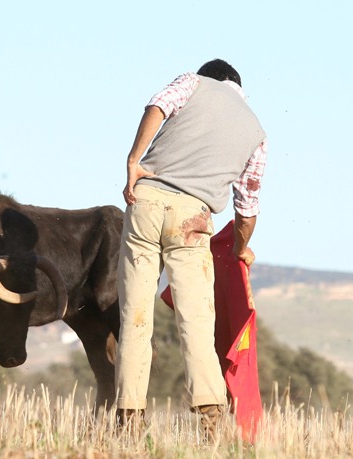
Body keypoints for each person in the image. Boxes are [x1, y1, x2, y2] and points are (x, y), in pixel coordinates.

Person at [115, 58, 268, 438]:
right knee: (197, 321)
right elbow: (247, 209)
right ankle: (210, 420)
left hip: (146, 200)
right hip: (194, 218)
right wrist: (238, 248)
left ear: (210, 76)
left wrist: (135, 161)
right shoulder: (257, 132)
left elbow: (158, 105)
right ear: (239, 87)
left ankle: (129, 420)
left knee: (135, 316)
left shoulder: (193, 82)